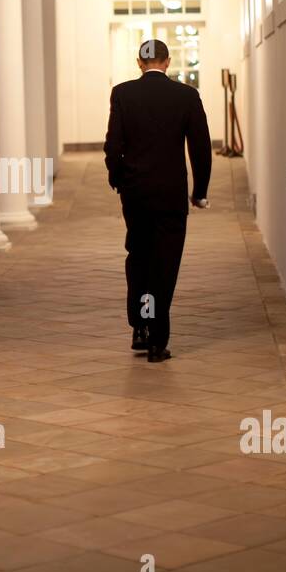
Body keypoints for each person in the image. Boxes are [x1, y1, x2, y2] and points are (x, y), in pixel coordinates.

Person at [104, 39, 213, 362]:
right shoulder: (186, 96)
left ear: (139, 62)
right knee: (164, 263)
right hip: (170, 195)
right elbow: (200, 148)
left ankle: (140, 325)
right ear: (167, 62)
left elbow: (113, 144)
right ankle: (156, 339)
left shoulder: (123, 93)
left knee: (139, 257)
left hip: (136, 193)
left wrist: (118, 179)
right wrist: (200, 191)